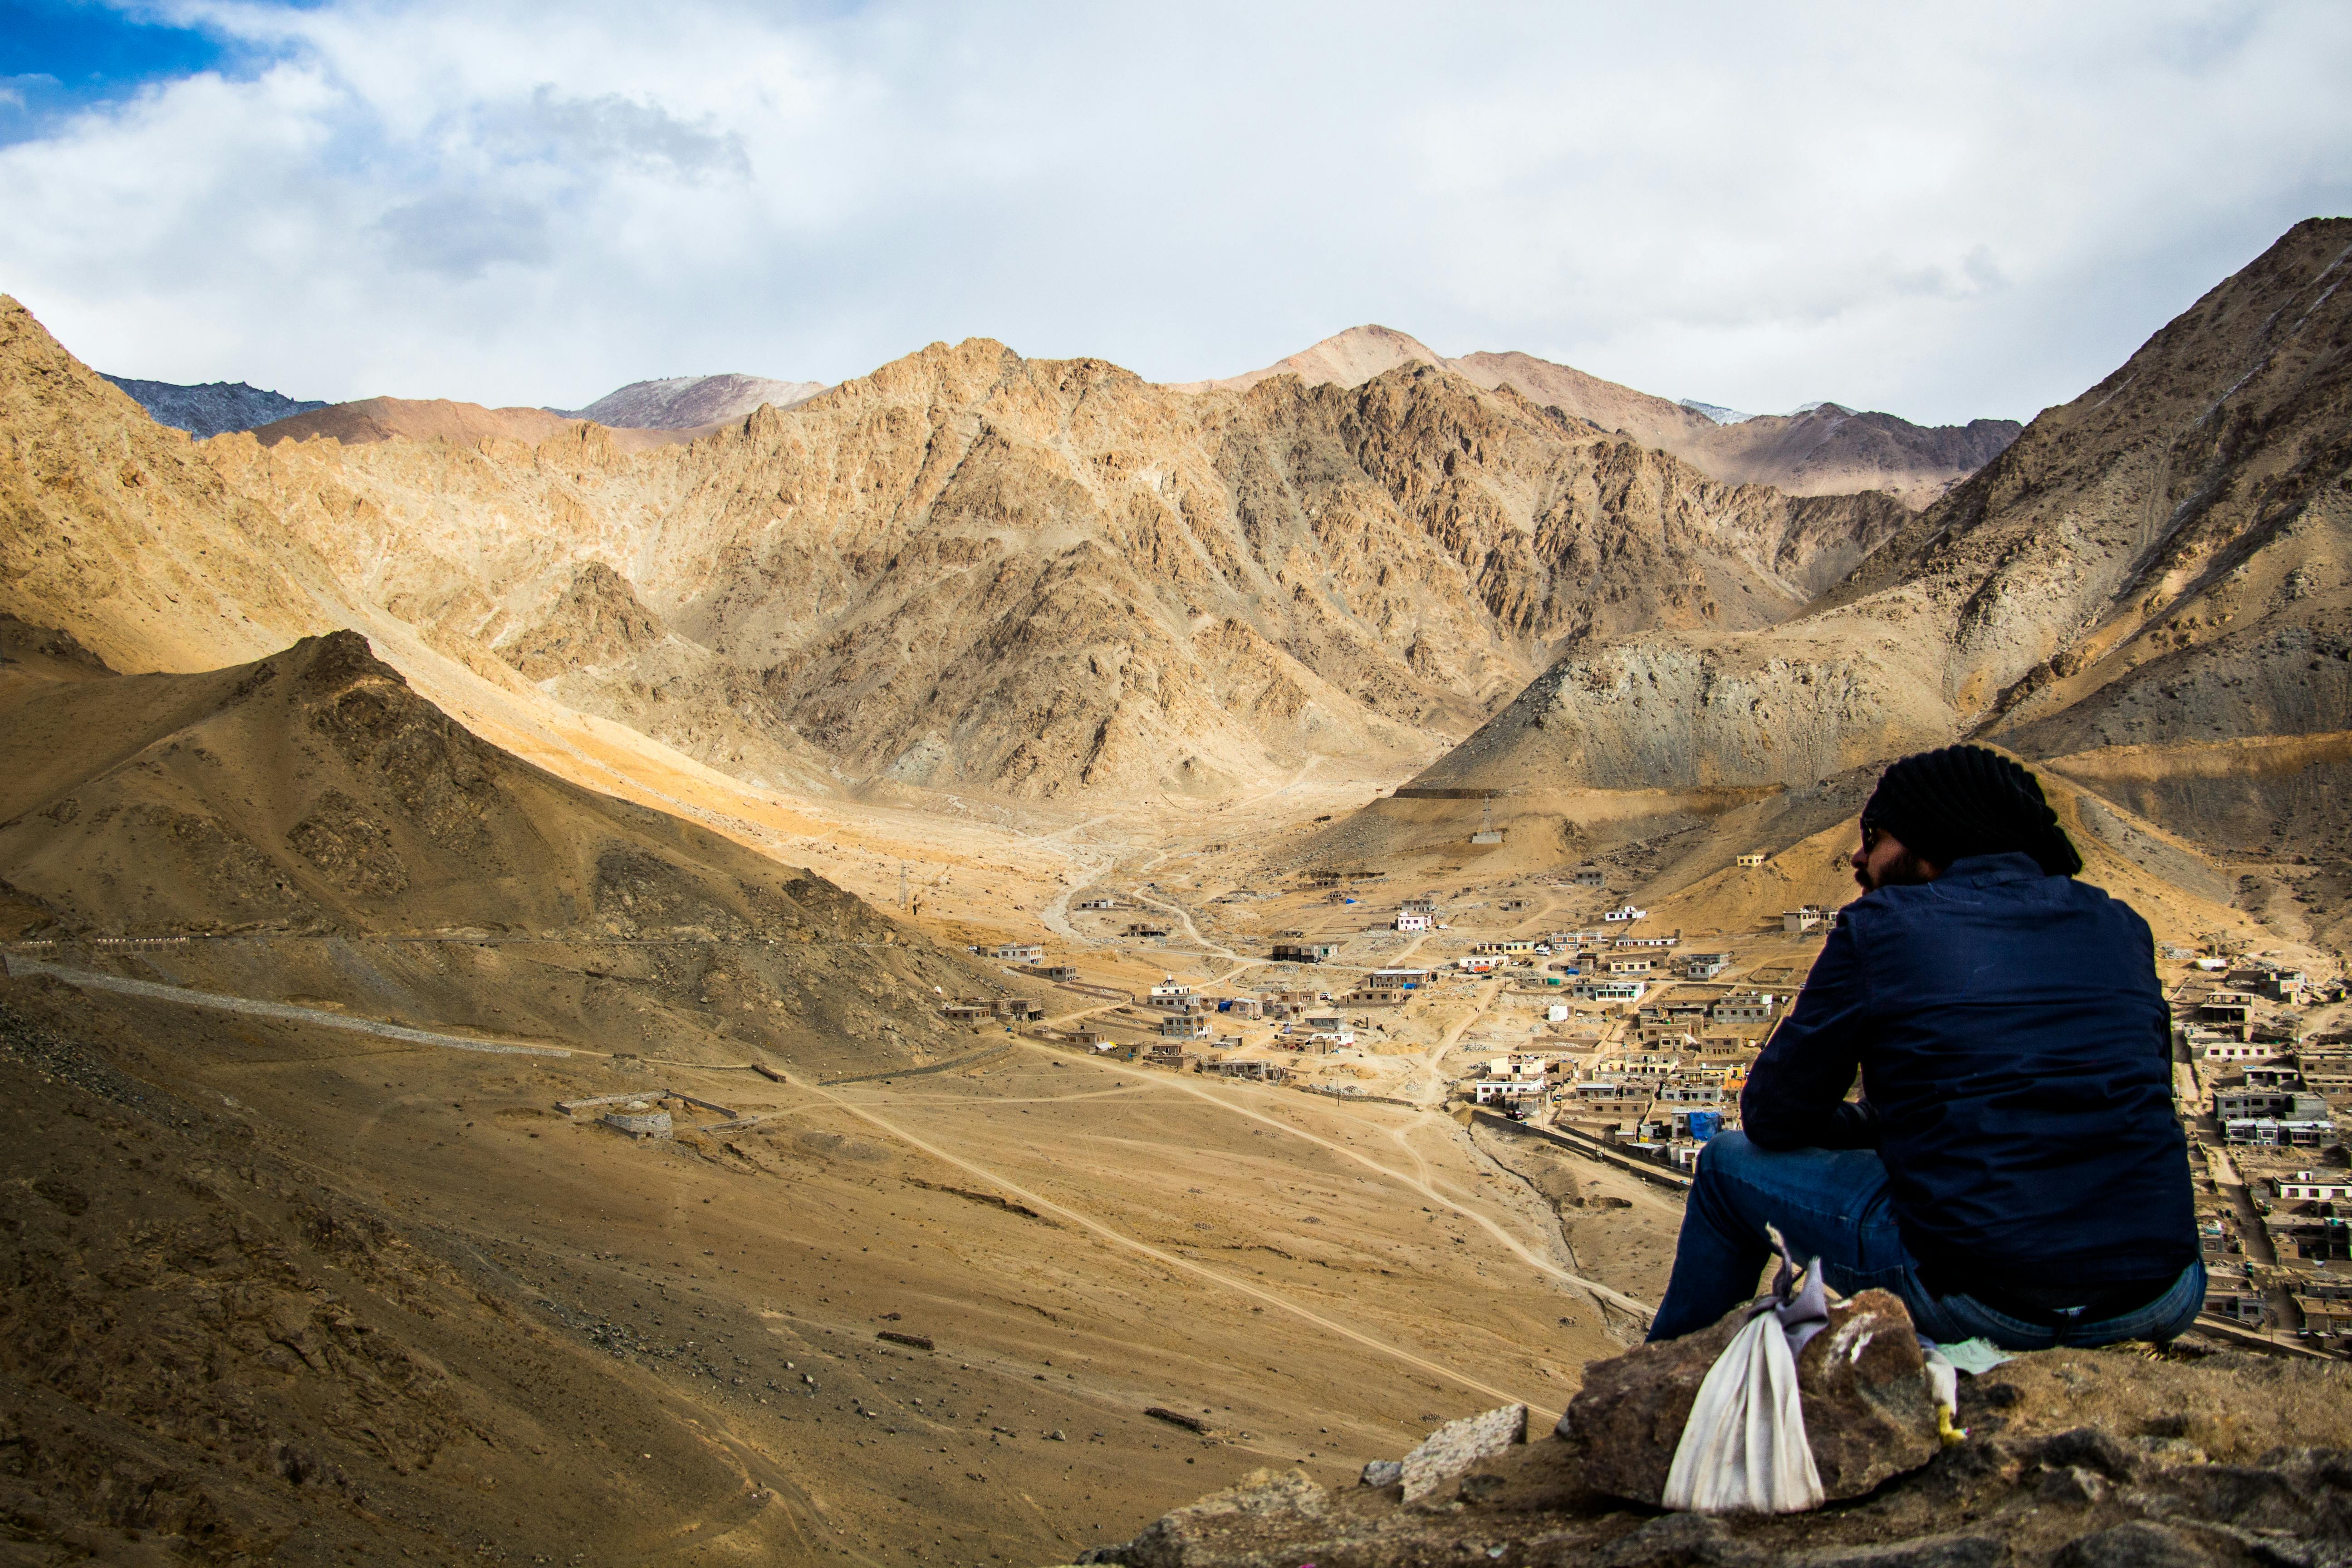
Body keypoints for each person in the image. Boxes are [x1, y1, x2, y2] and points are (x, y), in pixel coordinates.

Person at [1646, 744, 2202, 1349]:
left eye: (1876, 835)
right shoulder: (2122, 927)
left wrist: (1872, 1125)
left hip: (1984, 1295)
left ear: (1930, 846)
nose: (1859, 856)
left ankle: (1671, 1379)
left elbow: (1774, 1117)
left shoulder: (1883, 927)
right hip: (2163, 1288)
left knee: (1727, 1164)